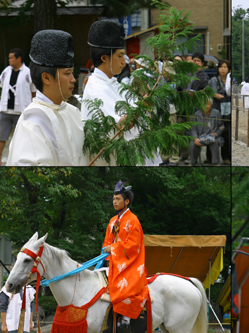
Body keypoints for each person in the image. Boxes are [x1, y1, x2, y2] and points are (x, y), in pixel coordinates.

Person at [81, 20, 162, 166]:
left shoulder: (112, 83)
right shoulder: (96, 88)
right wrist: (142, 105)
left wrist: (145, 100)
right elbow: (120, 125)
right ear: (104, 58)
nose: (124, 62)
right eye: (120, 56)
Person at [6, 30, 89, 166]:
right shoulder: (32, 122)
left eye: (72, 73)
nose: (73, 79)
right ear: (46, 77)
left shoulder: (73, 112)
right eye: (67, 73)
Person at [103, 181, 150, 333]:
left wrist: (113, 248)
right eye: (113, 199)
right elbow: (106, 243)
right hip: (113, 261)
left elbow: (134, 246)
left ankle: (125, 318)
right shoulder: (112, 221)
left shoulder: (133, 220)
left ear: (127, 201)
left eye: (117, 199)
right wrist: (106, 250)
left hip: (130, 263)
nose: (114, 202)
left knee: (127, 285)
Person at [0, 49, 36, 166]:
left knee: (23, 137)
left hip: (21, 110)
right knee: (1, 135)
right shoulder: (6, 71)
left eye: (11, 58)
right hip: (5, 109)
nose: (9, 60)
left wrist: (32, 105)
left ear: (19, 59)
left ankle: (23, 159)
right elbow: (3, 86)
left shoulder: (28, 72)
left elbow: (33, 91)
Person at [189, 99, 225, 166]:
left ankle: (216, 162)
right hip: (200, 136)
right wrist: (195, 138)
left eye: (208, 104)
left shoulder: (216, 113)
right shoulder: (197, 114)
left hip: (212, 136)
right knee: (192, 144)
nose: (206, 106)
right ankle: (193, 163)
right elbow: (193, 128)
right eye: (203, 104)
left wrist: (216, 134)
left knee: (215, 142)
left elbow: (221, 126)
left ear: (211, 104)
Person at [209, 59, 232, 165]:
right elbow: (214, 94)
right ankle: (210, 158)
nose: (223, 69)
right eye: (221, 67)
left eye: (225, 67)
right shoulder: (214, 80)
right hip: (216, 110)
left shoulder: (230, 80)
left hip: (227, 111)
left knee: (227, 133)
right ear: (218, 68)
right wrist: (226, 98)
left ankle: (226, 157)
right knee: (212, 132)